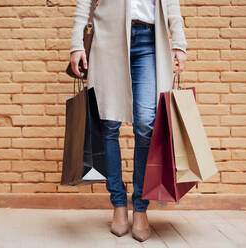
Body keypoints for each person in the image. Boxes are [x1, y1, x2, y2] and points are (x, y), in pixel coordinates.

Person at [69, 0, 187, 242]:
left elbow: (171, 3)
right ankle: (119, 204)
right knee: (108, 125)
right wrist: (76, 44)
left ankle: (141, 206)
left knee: (146, 125)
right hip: (108, 39)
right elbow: (86, 3)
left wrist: (179, 42)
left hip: (150, 40)